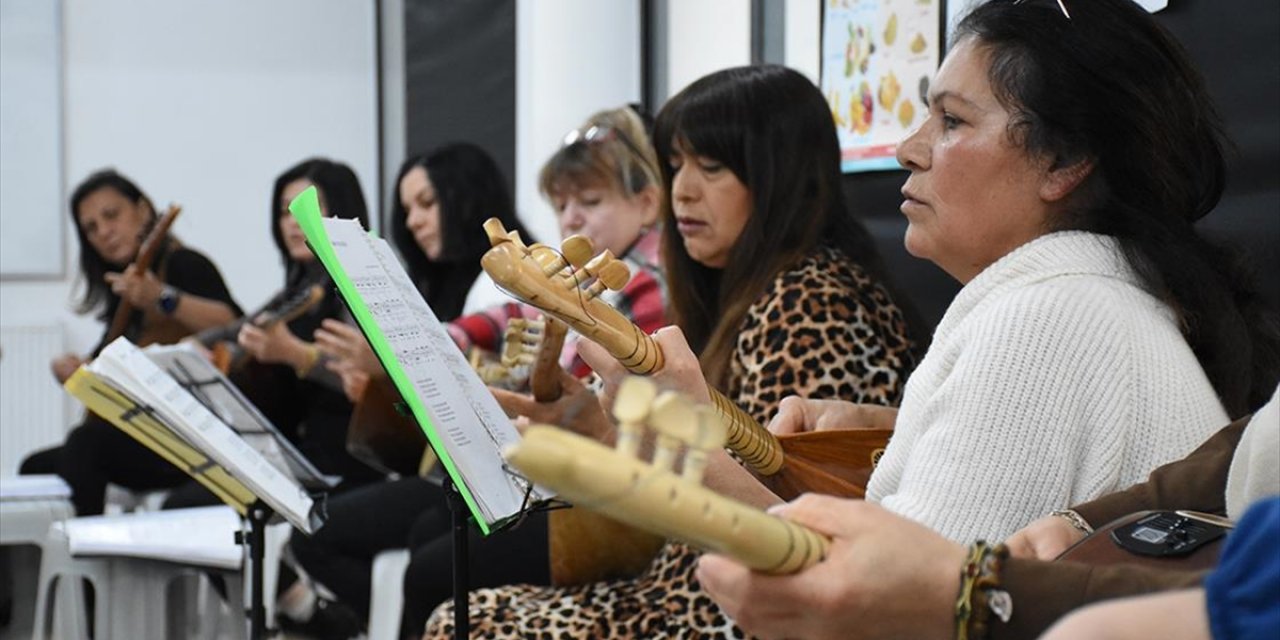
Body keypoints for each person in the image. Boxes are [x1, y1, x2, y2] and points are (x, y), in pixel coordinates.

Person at [427, 64, 920, 639]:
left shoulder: (812, 301)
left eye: (711, 167)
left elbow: (779, 514)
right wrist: (597, 427)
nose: (682, 190)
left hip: (726, 606)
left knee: (464, 619)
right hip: (686, 582)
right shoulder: (747, 291)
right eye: (676, 165)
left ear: (780, 177)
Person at [697, 383, 1279, 640]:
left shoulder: (1041, 319)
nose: (908, 151)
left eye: (952, 123)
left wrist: (977, 592)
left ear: (1063, 166)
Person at [287, 142, 544, 639]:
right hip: (444, 473)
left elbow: (485, 412)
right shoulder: (439, 285)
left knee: (371, 540)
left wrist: (384, 375)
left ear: (466, 196)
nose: (415, 221)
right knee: (328, 530)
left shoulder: (502, 284)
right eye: (407, 210)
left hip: (496, 480)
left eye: (427, 204)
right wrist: (378, 386)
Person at [163, 157, 382, 511]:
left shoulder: (363, 284)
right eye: (284, 212)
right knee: (183, 501)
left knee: (185, 505)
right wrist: (192, 346)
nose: (293, 224)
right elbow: (240, 326)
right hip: (300, 451)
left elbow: (363, 380)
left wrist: (296, 354)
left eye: (306, 209)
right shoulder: (300, 287)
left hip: (351, 460)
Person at [19, 169, 242, 516]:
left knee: (86, 445)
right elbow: (105, 362)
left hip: (189, 439)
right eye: (91, 228)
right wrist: (74, 370)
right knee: (35, 466)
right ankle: (41, 568)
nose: (104, 232)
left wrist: (163, 297)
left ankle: (88, 563)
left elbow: (232, 325)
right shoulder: (122, 294)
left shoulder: (183, 264)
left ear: (142, 210)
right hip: (143, 435)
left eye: (111, 215)